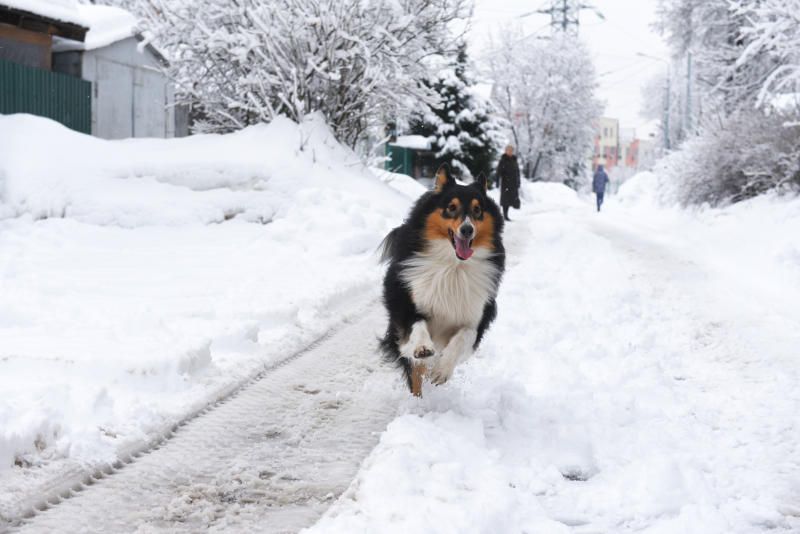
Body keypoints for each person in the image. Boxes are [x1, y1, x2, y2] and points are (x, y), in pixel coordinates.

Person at [495, 145, 520, 221]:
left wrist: (518, 182)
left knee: (511, 199)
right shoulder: (503, 160)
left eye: (511, 150)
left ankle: (506, 215)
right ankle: (505, 215)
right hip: (506, 183)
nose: (510, 152)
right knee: (505, 200)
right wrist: (497, 181)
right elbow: (498, 172)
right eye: (508, 150)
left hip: (513, 183)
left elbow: (517, 172)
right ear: (505, 151)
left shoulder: (514, 160)